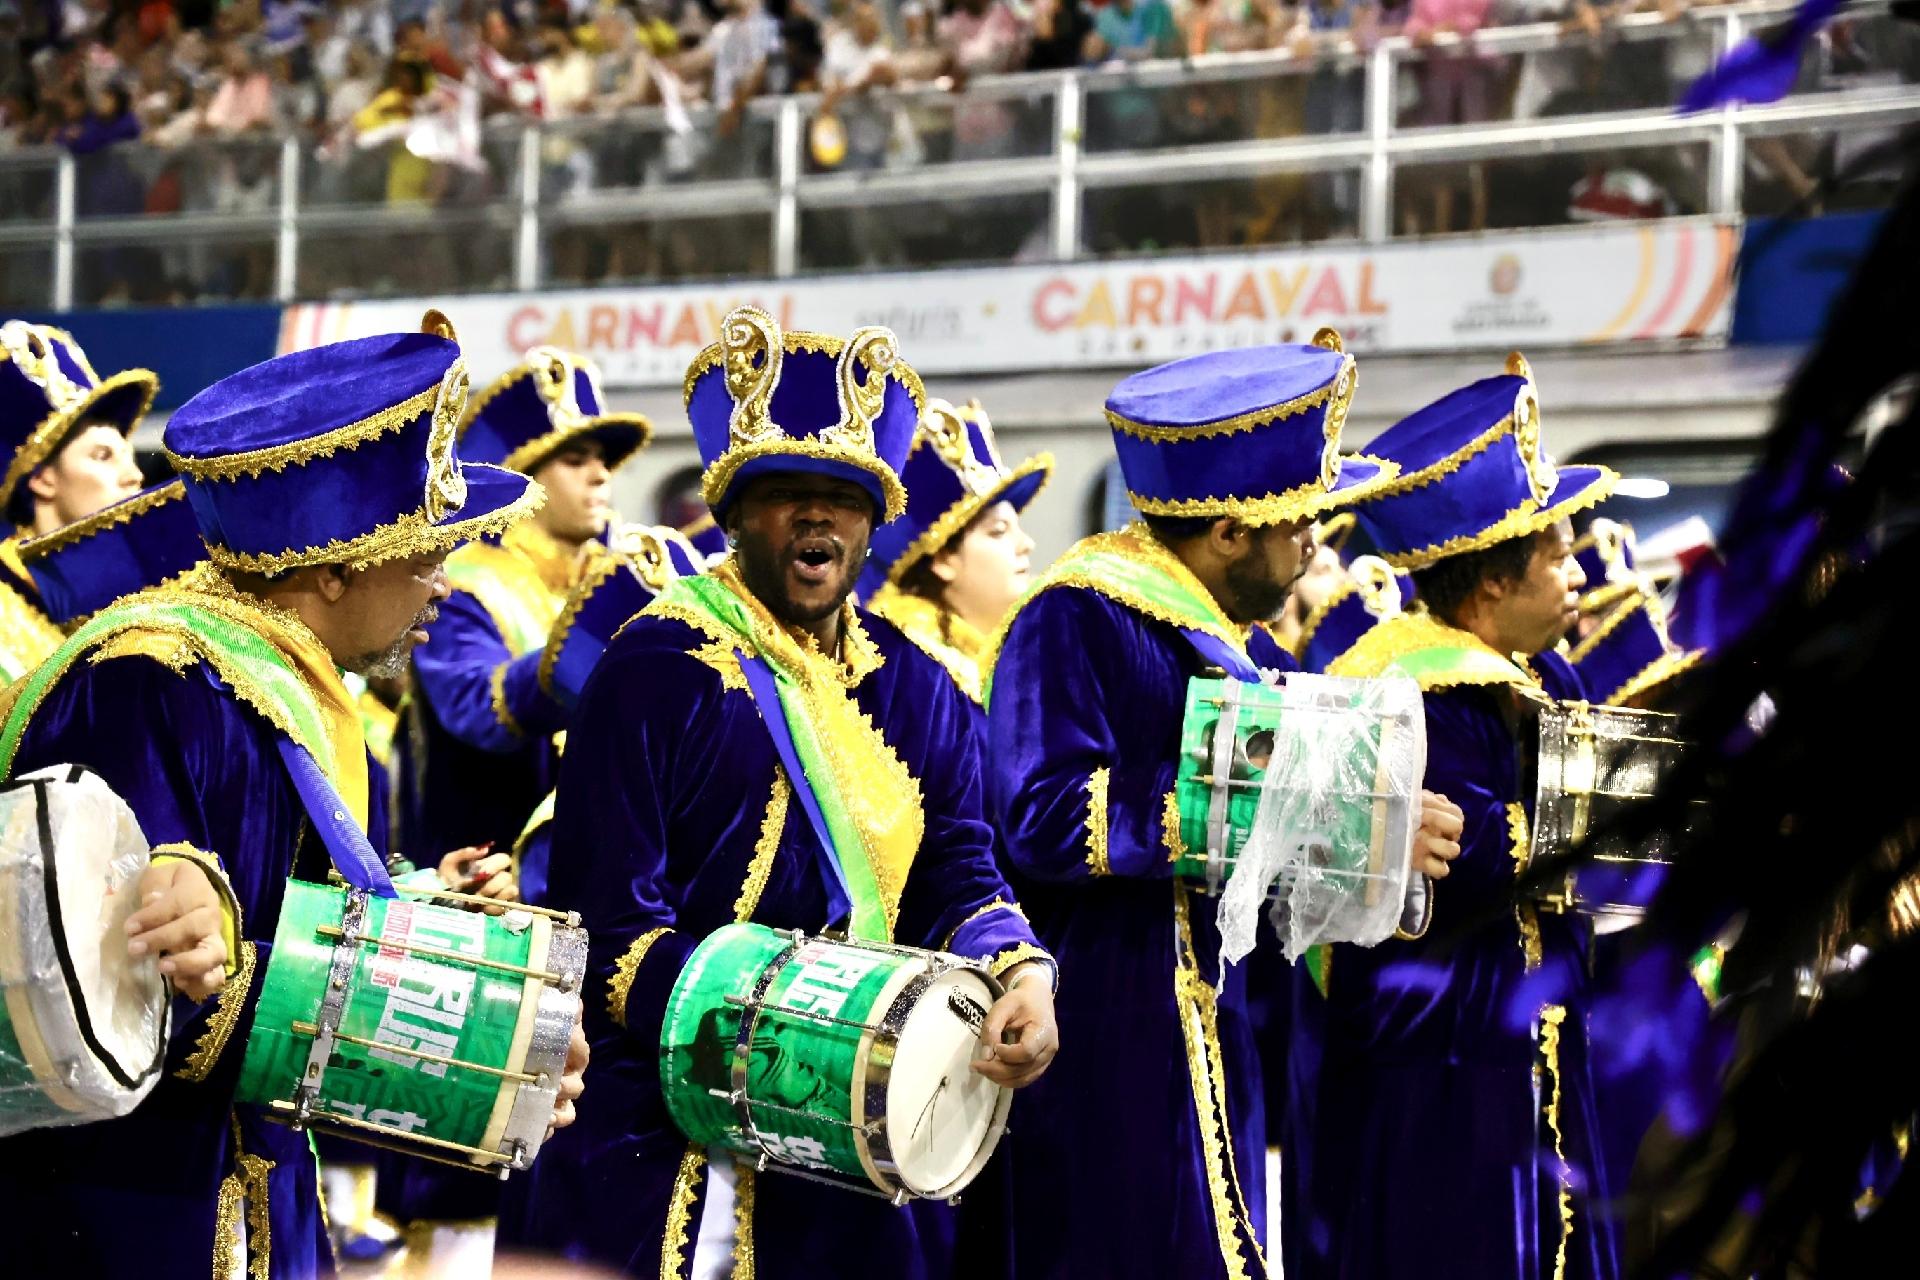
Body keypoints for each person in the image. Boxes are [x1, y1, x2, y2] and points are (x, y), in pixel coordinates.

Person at [0, 313, 586, 1277]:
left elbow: (266, 929)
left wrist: (445, 941)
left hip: (253, 1194)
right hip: (132, 1219)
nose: (445, 582)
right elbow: (113, 998)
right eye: (428, 549)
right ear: (335, 564)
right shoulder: (149, 678)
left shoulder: (271, 677)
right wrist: (457, 1032)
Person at [501, 307, 1059, 1278]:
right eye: (783, 493)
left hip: (850, 1148)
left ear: (875, 518)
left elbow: (959, 873)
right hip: (665, 1149)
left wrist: (1021, 972)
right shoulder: (651, 669)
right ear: (732, 510)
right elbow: (608, 937)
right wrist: (794, 1035)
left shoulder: (919, 686)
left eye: (842, 496)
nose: (816, 515)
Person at [983, 333, 1463, 1279]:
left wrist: (1383, 825)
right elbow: (1039, 817)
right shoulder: (1077, 613)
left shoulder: (1233, 643)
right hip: (1107, 1030)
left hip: (1213, 1020)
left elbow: (1308, 806)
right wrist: (1324, 815)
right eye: (1296, 522)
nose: (1315, 542)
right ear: (1228, 533)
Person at [1303, 353, 1622, 1280]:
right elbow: (1473, 846)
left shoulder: (1546, 677)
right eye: (1557, 550)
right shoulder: (1404, 691)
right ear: (1490, 582)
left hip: (1533, 1047)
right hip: (1440, 1068)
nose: (1578, 567)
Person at [383, 344, 651, 1266]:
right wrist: (581, 661)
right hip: (480, 910)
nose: (600, 476)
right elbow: (477, 711)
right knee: (462, 1181)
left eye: (607, 459)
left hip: (593, 921)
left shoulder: (620, 576)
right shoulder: (462, 585)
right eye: (575, 457)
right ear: (523, 479)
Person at [862, 397, 1050, 711]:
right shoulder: (917, 673)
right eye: (999, 531)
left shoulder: (1019, 651)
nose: (1026, 543)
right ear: (943, 559)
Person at [0, 320, 154, 683]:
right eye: (103, 456)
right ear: (41, 479)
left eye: (128, 455)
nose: (134, 476)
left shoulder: (135, 593)